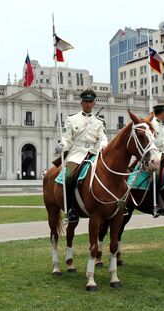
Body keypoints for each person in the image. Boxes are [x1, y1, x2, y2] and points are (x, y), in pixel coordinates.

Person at [56, 88, 108, 222]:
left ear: (94, 103)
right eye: (86, 101)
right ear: (81, 103)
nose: (88, 104)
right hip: (76, 154)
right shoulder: (72, 119)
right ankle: (70, 210)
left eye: (90, 102)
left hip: (93, 153)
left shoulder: (99, 122)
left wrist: (103, 146)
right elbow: (67, 138)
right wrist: (62, 144)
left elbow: (102, 138)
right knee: (69, 177)